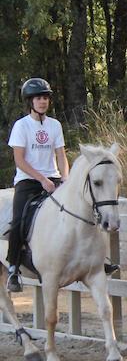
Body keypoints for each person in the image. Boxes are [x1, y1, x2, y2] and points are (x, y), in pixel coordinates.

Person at [5, 78, 69, 292]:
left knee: (80, 211)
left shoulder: (55, 125)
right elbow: (20, 160)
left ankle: (91, 260)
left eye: (45, 98)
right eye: (38, 98)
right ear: (30, 101)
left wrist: (66, 179)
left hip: (54, 179)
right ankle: (13, 268)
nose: (42, 102)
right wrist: (42, 179)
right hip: (28, 181)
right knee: (18, 222)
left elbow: (61, 155)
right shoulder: (21, 126)